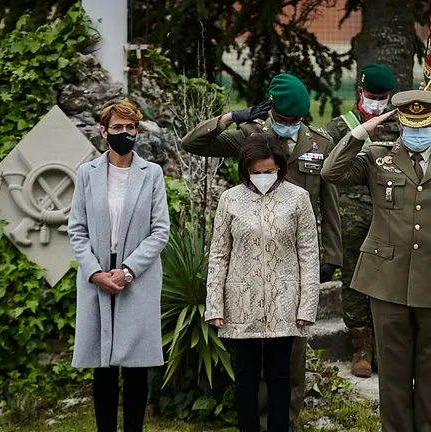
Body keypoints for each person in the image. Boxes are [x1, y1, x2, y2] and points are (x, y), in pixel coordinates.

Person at [182, 73, 340, 431]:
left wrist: (332, 256)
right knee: (251, 365)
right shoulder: (248, 136)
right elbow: (192, 142)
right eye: (282, 119)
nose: (288, 126)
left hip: (295, 259)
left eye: (294, 121)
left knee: (290, 361)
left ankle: (287, 423)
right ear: (271, 108)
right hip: (248, 260)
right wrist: (231, 117)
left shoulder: (318, 142)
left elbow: (329, 203)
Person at [321, 90, 431, 432]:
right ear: (399, 124)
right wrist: (361, 132)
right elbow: (330, 172)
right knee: (393, 378)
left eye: (423, 127)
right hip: (387, 282)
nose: (417, 134)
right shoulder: (376, 157)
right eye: (411, 126)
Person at [204, 133, 320, 432]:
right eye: (256, 173)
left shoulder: (298, 198)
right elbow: (219, 254)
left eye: (269, 172)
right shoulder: (230, 199)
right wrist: (215, 304)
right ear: (246, 170)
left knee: (280, 377)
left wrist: (308, 304)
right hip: (241, 303)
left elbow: (308, 253)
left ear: (279, 167)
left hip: (285, 302)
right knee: (245, 378)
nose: (263, 177)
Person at [68, 99, 170, 432]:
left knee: (136, 367)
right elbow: (77, 230)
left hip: (135, 276)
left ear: (137, 131)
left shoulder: (152, 174)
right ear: (103, 131)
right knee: (104, 367)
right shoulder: (86, 174)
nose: (124, 133)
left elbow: (160, 231)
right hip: (97, 275)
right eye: (117, 128)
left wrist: (127, 270)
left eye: (130, 127)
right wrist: (95, 272)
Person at [324, 63, 398, 378]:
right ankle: (361, 347)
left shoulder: (400, 128)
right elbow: (328, 173)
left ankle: (383, 345)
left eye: (382, 97)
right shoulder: (340, 127)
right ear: (360, 92)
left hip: (390, 215)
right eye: (372, 95)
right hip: (352, 217)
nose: (377, 101)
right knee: (354, 278)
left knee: (387, 279)